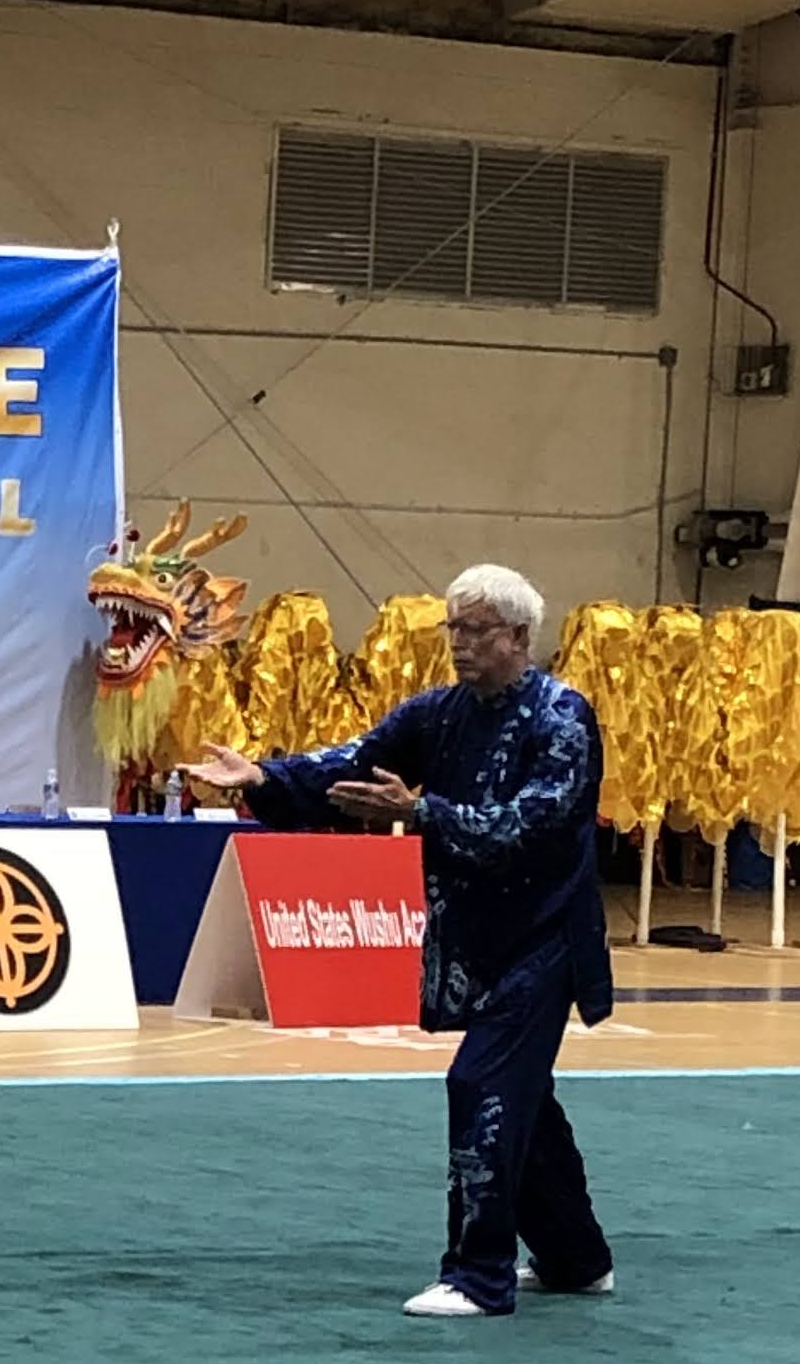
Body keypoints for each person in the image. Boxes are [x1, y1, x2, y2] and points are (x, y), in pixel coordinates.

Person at [185, 561, 614, 1320]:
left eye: (476, 629)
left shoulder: (563, 719)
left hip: (548, 939)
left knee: (480, 1084)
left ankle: (478, 1276)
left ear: (519, 636)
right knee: (521, 1097)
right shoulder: (438, 714)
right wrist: (264, 779)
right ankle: (577, 1261)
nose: (460, 643)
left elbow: (531, 825)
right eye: (454, 628)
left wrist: (419, 814)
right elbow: (352, 765)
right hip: (475, 940)